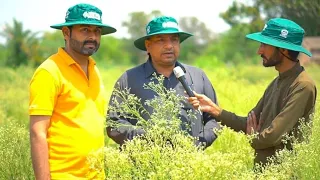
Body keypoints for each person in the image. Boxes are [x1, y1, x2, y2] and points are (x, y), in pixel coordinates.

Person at [188, 18, 317, 165]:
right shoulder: (276, 82)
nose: (259, 51)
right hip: (263, 172)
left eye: (264, 45)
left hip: (286, 173)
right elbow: (248, 122)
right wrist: (215, 110)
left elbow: (273, 135)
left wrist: (253, 139)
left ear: (283, 49)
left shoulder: (303, 86)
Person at [29, 3, 116, 179]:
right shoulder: (49, 71)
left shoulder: (94, 69)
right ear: (66, 33)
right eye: (85, 30)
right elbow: (37, 133)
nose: (93, 36)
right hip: (64, 175)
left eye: (97, 31)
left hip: (97, 175)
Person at [107, 16, 220, 148]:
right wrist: (151, 140)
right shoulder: (128, 79)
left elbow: (214, 119)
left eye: (174, 40)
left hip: (190, 163)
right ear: (148, 46)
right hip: (144, 163)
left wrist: (198, 143)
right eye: (161, 40)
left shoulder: (197, 76)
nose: (169, 46)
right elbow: (114, 124)